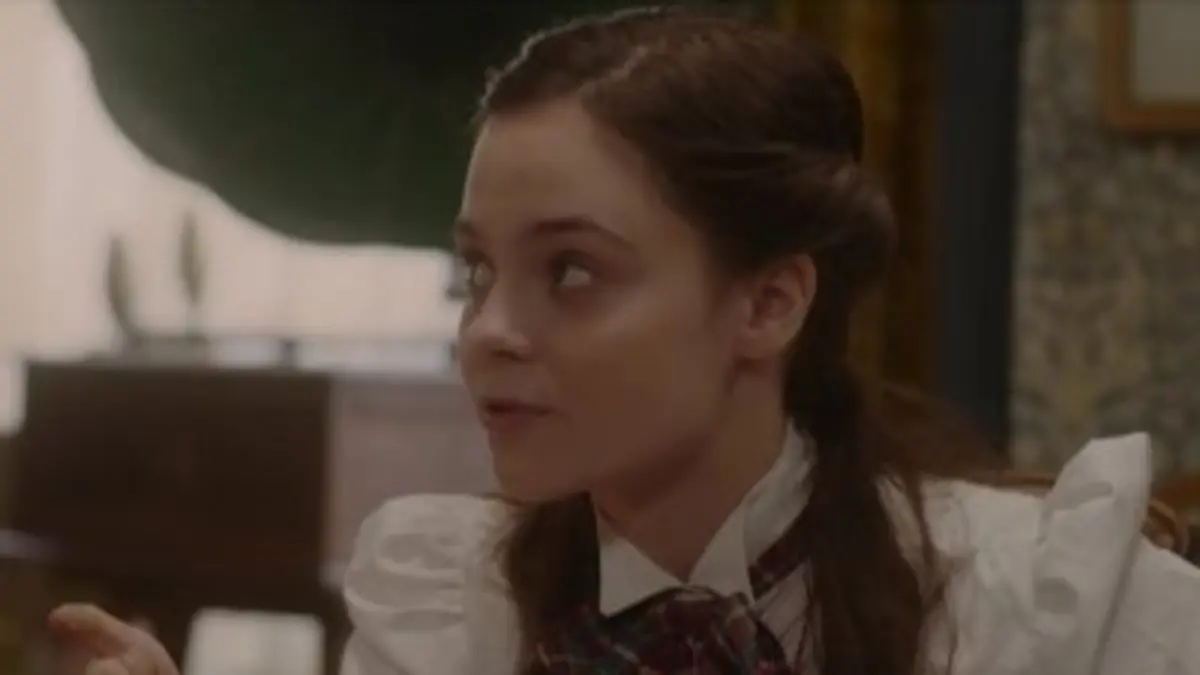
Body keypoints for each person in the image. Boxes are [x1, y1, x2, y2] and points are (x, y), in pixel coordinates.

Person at [48, 6, 1200, 675]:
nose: (490, 334)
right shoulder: (447, 613)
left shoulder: (1040, 611)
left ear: (769, 303)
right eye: (477, 273)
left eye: (572, 271)